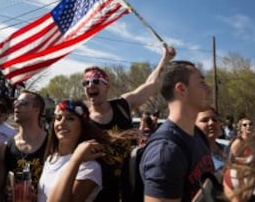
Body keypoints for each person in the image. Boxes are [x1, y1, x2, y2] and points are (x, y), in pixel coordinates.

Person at [82, 44, 176, 202]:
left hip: (130, 187)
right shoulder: (82, 118)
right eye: (86, 83)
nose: (90, 85)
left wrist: (164, 59)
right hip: (97, 194)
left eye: (96, 81)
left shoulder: (122, 105)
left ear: (107, 86)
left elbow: (150, 86)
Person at [139, 60, 215, 202]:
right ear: (181, 89)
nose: (208, 88)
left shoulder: (198, 134)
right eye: (201, 82)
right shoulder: (165, 153)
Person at [38, 99, 107, 202]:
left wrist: (75, 160)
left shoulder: (90, 167)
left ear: (82, 126)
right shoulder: (51, 158)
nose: (62, 122)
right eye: (58, 118)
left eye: (70, 118)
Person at [0, 89, 48, 202]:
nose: (16, 107)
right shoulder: (6, 147)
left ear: (36, 110)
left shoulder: (51, 144)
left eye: (23, 103)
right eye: (16, 103)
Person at [195, 107, 227, 171]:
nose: (211, 123)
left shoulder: (228, 149)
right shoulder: (193, 155)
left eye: (215, 120)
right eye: (204, 120)